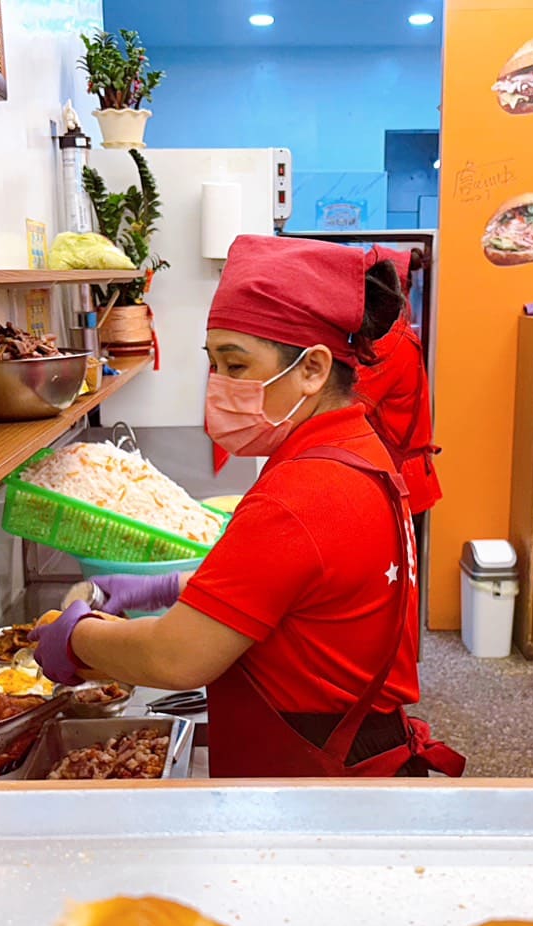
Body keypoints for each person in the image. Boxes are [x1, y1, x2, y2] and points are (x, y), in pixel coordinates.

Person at [32, 235, 465, 779]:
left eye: (236, 366)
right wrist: (174, 587)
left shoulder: (303, 493)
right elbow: (302, 594)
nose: (218, 386)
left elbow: (176, 657)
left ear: (312, 368)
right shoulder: (356, 449)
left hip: (315, 778)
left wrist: (71, 637)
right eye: (213, 364)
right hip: (357, 752)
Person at [356, 246, 443, 525]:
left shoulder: (388, 345)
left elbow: (350, 405)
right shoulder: (396, 336)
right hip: (404, 473)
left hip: (400, 477)